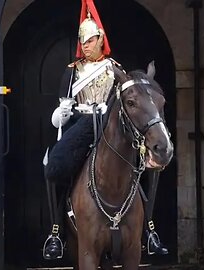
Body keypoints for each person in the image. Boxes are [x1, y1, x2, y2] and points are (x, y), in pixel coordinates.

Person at [42, 0, 168, 260]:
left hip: (113, 124)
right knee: (55, 165)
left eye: (89, 40)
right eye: (82, 41)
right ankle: (56, 231)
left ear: (100, 39)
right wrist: (60, 115)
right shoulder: (72, 72)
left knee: (147, 164)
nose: (85, 46)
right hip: (82, 125)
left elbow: (128, 101)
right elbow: (62, 103)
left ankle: (149, 230)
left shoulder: (116, 69)